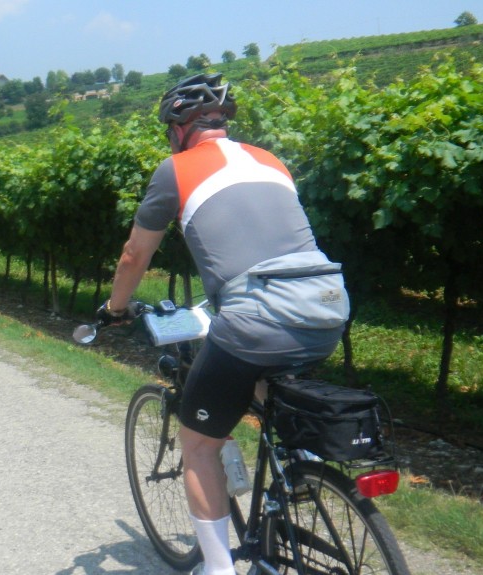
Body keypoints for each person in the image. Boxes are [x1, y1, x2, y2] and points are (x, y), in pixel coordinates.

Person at [98, 74, 349, 575]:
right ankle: (299, 460)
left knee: (197, 445)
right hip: (329, 306)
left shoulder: (175, 170)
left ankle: (218, 568)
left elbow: (134, 255)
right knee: (256, 376)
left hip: (257, 316)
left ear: (178, 128)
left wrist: (115, 309)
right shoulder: (271, 160)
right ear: (220, 122)